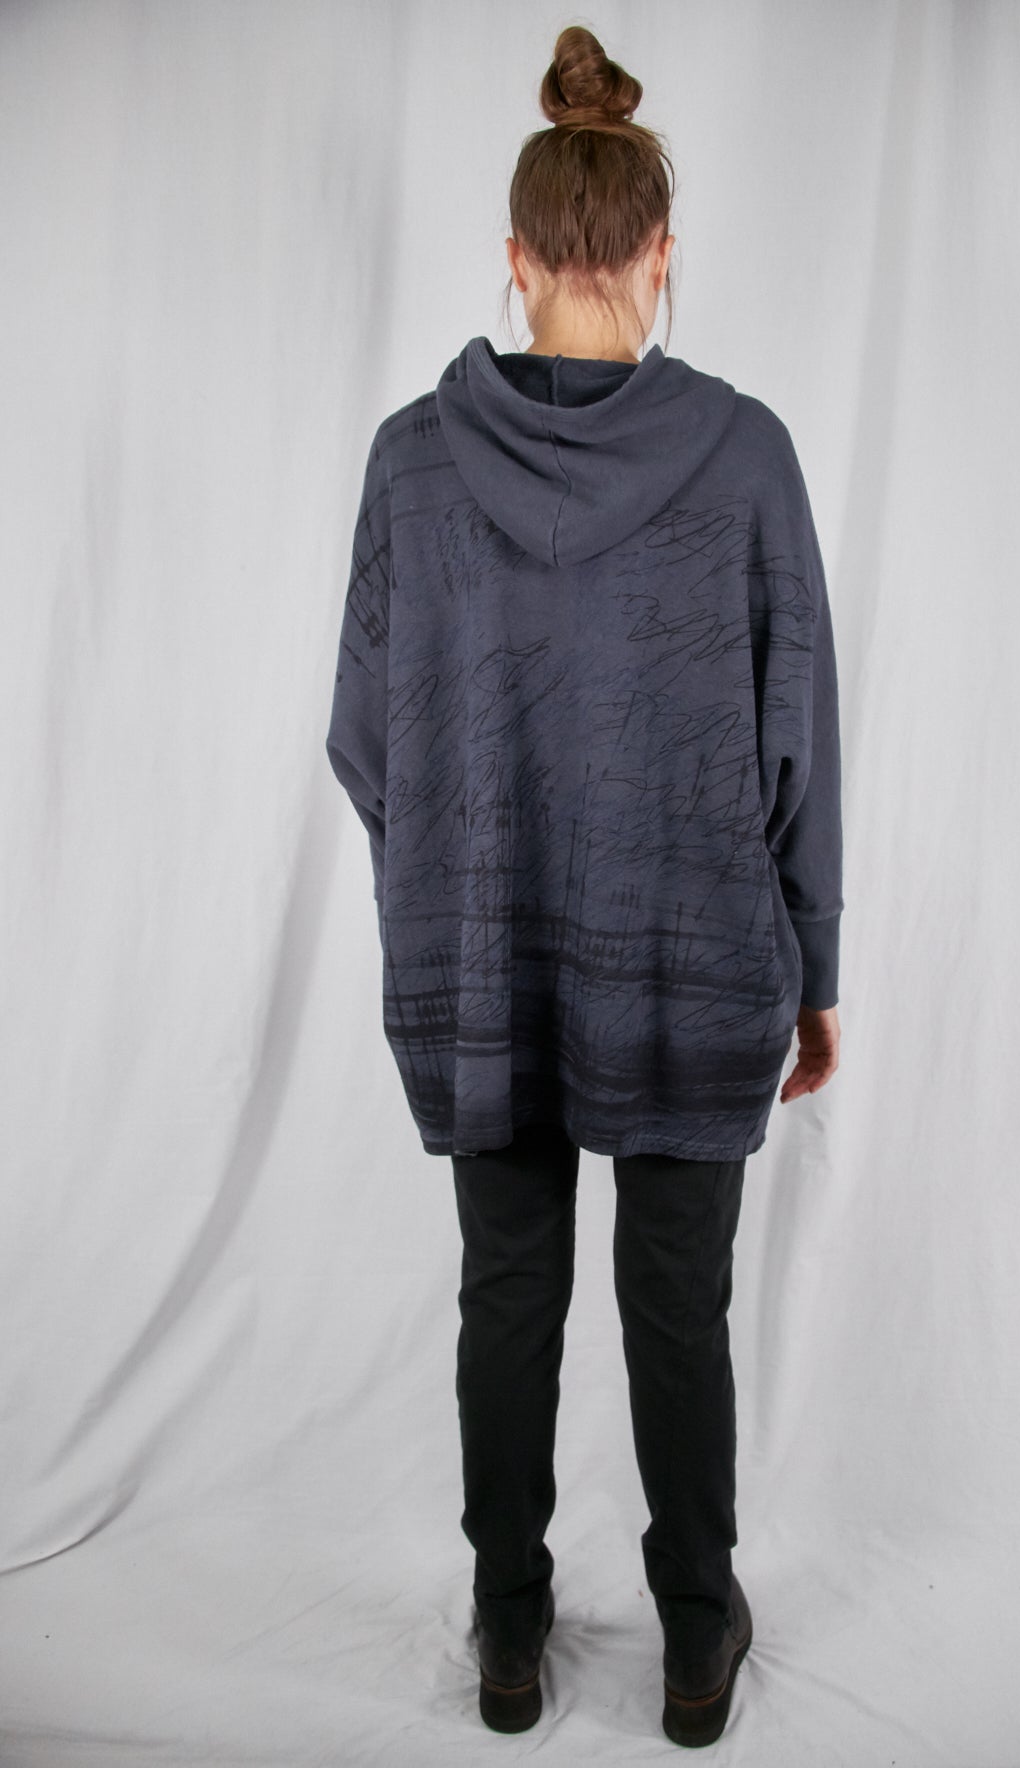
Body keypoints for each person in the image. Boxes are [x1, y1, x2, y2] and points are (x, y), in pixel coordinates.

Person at [325, 22, 843, 1749]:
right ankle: (696, 1638)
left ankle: (508, 1631)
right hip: (699, 957)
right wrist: (815, 962)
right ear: (659, 252)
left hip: (484, 959)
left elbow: (367, 741)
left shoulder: (412, 463)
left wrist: (468, 867)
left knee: (508, 1292)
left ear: (520, 255)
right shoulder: (747, 457)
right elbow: (796, 742)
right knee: (678, 1304)